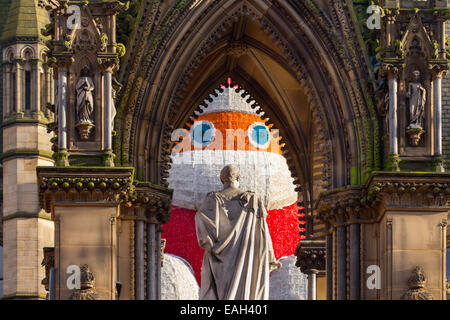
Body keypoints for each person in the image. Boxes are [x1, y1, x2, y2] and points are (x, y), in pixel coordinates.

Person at [195, 164, 280, 300]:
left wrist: (212, 245)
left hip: (218, 263)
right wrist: (270, 256)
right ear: (238, 178)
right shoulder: (252, 200)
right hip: (246, 260)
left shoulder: (212, 199)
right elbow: (263, 232)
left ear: (222, 180)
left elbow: (200, 219)